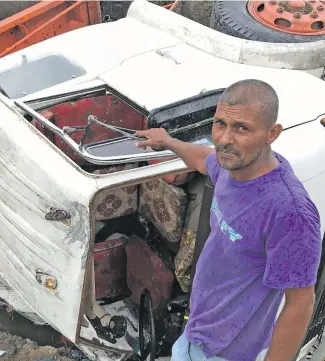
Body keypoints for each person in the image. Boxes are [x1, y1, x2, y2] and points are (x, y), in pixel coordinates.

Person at [134, 79, 322, 361]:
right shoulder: (233, 166)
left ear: (272, 133)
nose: (224, 139)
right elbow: (202, 160)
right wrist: (168, 142)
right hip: (197, 329)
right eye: (220, 123)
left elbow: (300, 304)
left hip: (226, 350)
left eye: (242, 128)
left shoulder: (290, 212)